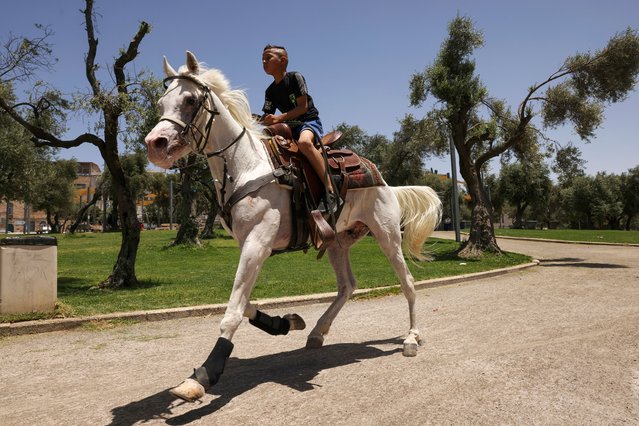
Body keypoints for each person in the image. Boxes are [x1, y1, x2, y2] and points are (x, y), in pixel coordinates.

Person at [261, 44, 341, 213]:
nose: (263, 61)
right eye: (262, 59)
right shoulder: (270, 91)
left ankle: (331, 191)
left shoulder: (295, 77)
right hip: (289, 129)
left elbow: (302, 107)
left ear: (283, 61)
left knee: (305, 144)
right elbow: (266, 117)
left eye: (268, 58)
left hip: (308, 123)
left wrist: (278, 118)